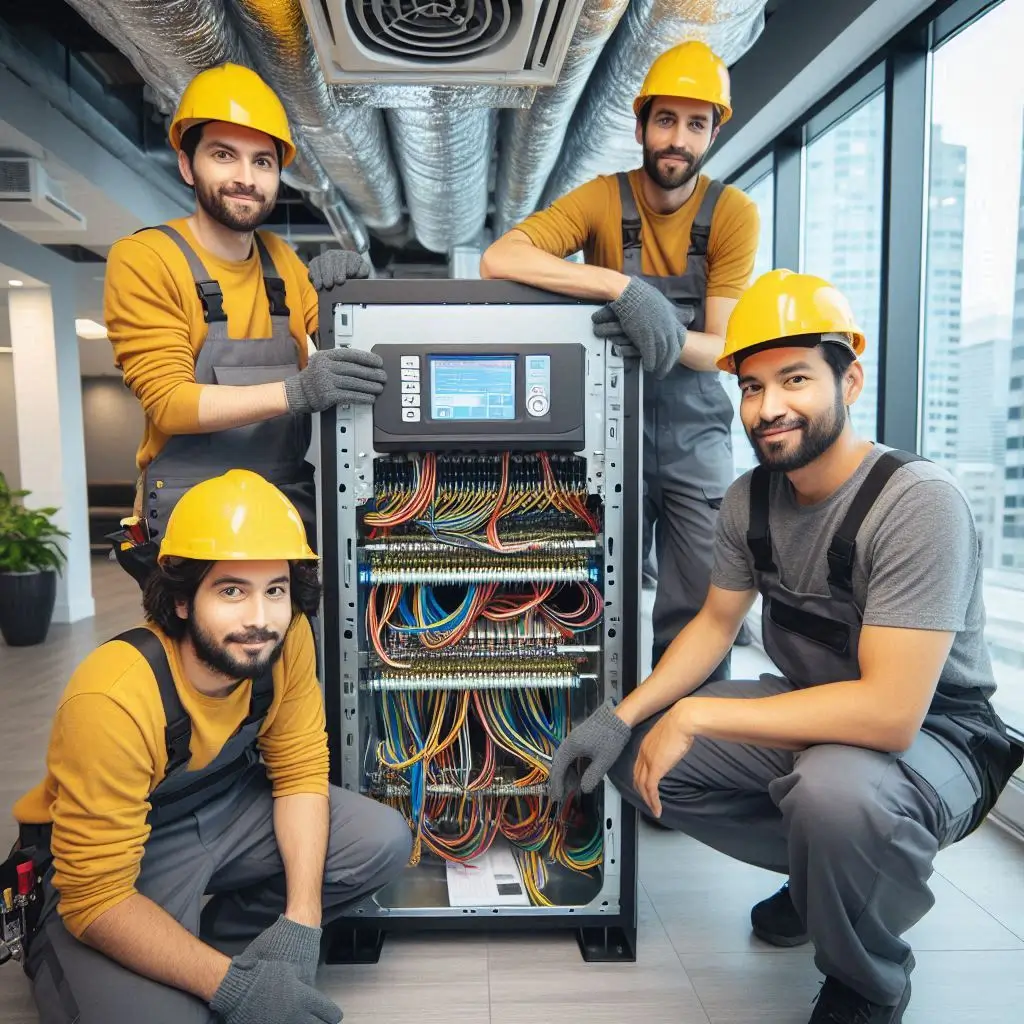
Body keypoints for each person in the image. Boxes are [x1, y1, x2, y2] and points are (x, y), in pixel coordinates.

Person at [547, 269, 1024, 1023]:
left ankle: (868, 980)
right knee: (635, 753)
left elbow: (891, 714)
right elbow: (712, 623)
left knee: (836, 795)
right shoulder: (750, 500)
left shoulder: (914, 504)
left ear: (851, 380)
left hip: (937, 736)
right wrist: (620, 715)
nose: (768, 409)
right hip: (812, 712)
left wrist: (700, 717)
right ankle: (824, 878)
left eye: (794, 379)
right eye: (750, 387)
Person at [11, 469, 412, 1024]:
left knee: (380, 839)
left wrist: (301, 922)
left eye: (276, 590)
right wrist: (230, 989)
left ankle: (233, 946)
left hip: (226, 812)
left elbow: (299, 771)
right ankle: (173, 966)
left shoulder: (286, 636)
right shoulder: (113, 695)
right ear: (180, 600)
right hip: (110, 870)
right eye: (231, 590)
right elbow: (96, 897)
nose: (259, 618)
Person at [481, 39, 760, 674]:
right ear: (640, 124)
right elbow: (501, 258)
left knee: (699, 599)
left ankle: (682, 741)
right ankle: (594, 722)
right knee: (587, 587)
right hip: (612, 423)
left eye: (696, 124)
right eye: (665, 120)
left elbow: (724, 351)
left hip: (697, 437)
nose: (678, 139)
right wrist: (621, 288)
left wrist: (661, 329)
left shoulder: (732, 215)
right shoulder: (605, 199)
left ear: (715, 131)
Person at [104, 62, 383, 576]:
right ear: (187, 165)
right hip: (192, 518)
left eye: (263, 162)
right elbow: (170, 404)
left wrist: (354, 297)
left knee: (300, 651)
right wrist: (297, 393)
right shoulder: (146, 258)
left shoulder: (282, 258)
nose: (245, 179)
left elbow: (361, 352)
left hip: (287, 505)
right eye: (223, 155)